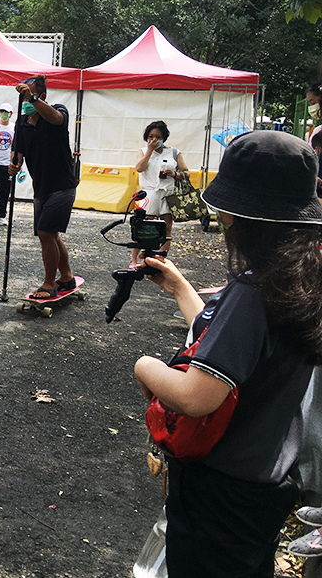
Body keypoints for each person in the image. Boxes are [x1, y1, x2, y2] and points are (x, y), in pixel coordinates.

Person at [134, 130, 322, 577]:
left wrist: (146, 366)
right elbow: (238, 348)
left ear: (239, 216)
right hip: (267, 483)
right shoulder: (301, 279)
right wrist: (181, 287)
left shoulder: (253, 289)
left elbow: (199, 396)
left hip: (220, 490)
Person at [9, 74, 78, 300]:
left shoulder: (57, 111)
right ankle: (66, 276)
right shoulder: (21, 123)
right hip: (41, 186)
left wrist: (34, 98)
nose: (27, 99)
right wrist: (14, 165)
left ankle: (49, 283)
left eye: (30, 94)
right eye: (24, 95)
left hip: (62, 185)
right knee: (51, 235)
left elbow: (57, 119)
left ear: (42, 95)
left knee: (46, 232)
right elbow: (17, 153)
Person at [130, 121, 188, 268]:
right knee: (142, 225)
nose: (154, 139)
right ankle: (134, 259)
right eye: (151, 136)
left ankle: (161, 259)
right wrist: (150, 150)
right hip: (149, 193)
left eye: (158, 136)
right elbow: (139, 168)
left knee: (167, 226)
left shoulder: (174, 152)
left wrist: (173, 174)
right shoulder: (142, 151)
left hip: (167, 192)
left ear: (164, 137)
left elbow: (186, 173)